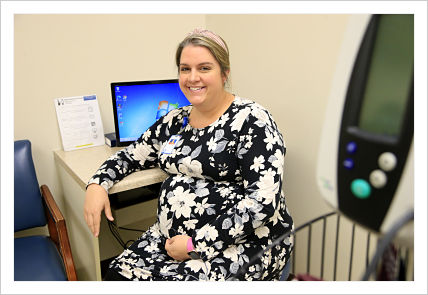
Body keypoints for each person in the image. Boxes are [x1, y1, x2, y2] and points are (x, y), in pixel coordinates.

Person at [84, 28, 293, 281]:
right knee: (116, 275)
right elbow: (131, 155)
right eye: (185, 69)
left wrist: (196, 243)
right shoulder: (175, 120)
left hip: (241, 243)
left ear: (224, 73)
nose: (193, 78)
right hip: (169, 242)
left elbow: (263, 202)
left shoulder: (252, 120)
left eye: (204, 68)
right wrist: (97, 184)